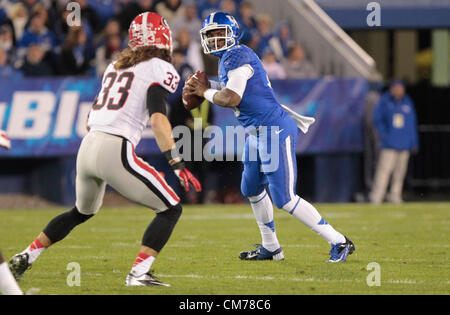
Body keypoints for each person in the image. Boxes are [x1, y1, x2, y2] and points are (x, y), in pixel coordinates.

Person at [9, 12, 201, 287]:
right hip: (115, 148)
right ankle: (138, 274)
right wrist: (176, 162)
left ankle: (26, 256)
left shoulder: (116, 66)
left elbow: (90, 120)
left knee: (81, 212)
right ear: (162, 38)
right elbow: (158, 119)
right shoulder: (159, 68)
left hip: (88, 147)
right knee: (171, 207)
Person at [184, 11, 355, 262]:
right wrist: (208, 87)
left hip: (273, 129)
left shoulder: (237, 55)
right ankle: (271, 247)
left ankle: (340, 241)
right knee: (251, 187)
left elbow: (232, 98)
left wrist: (205, 91)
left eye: (220, 34)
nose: (215, 39)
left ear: (233, 34)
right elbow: (232, 89)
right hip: (257, 132)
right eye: (211, 35)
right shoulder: (228, 59)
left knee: (284, 198)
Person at [370, 80, 419, 204]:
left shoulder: (407, 102)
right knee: (384, 171)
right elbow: (377, 120)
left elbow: (412, 124)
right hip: (389, 144)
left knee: (400, 172)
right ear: (392, 89)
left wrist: (413, 142)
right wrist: (384, 137)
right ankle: (377, 196)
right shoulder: (385, 101)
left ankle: (395, 195)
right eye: (396, 88)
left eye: (401, 88)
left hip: (404, 144)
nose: (399, 91)